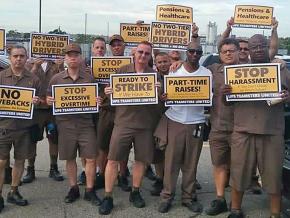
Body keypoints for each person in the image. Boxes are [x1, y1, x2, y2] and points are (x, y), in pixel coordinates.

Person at [225, 34, 290, 218]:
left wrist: (287, 97)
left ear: (268, 46)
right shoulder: (237, 71)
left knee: (273, 175)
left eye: (262, 45)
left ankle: (275, 213)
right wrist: (225, 94)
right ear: (248, 51)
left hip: (271, 132)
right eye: (254, 47)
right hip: (243, 131)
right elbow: (228, 103)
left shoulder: (281, 69)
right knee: (239, 172)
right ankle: (235, 209)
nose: (258, 49)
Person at [99, 41, 160, 215]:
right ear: (134, 53)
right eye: (140, 52)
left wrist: (158, 92)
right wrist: (108, 93)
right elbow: (110, 102)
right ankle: (108, 196)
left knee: (141, 160)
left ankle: (135, 191)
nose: (143, 56)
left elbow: (159, 105)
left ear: (150, 56)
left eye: (147, 53)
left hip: (144, 126)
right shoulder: (121, 71)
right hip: (123, 123)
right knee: (112, 160)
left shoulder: (154, 76)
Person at [155, 42, 211, 213]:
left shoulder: (206, 73)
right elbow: (160, 82)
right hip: (175, 121)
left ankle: (188, 196)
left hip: (196, 122)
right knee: (171, 162)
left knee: (191, 163)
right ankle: (167, 196)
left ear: (201, 54)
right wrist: (163, 97)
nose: (195, 54)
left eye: (198, 52)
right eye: (191, 51)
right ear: (186, 53)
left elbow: (211, 95)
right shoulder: (174, 70)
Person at [46, 43, 101, 205]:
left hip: (86, 124)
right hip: (66, 125)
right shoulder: (56, 79)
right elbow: (48, 99)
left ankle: (90, 190)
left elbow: (96, 99)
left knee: (91, 158)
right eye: (69, 55)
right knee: (70, 158)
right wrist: (49, 101)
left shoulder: (89, 78)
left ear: (80, 57)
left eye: (76, 54)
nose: (73, 57)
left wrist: (97, 100)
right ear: (65, 58)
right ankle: (73, 188)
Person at [0, 45, 41, 211]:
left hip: (24, 128)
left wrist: (37, 102)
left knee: (19, 160)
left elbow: (41, 101)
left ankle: (14, 191)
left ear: (26, 58)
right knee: (1, 162)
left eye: (22, 56)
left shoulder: (34, 79)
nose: (18, 59)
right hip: (3, 126)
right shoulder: (1, 77)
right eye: (15, 56)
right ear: (10, 57)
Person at [204, 38, 239, 215]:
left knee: (236, 168)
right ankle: (220, 199)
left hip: (240, 129)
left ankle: (235, 204)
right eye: (224, 51)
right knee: (218, 165)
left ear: (239, 52)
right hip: (217, 127)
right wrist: (177, 63)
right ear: (220, 53)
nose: (228, 53)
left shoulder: (247, 69)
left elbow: (269, 57)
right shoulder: (211, 70)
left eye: (231, 50)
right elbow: (192, 70)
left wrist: (279, 62)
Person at [96, 34, 131, 192]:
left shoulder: (131, 63)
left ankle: (122, 175)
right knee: (103, 146)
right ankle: (102, 176)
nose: (116, 47)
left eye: (119, 44)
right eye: (114, 45)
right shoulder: (100, 63)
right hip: (106, 110)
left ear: (124, 45)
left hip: (124, 111)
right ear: (110, 47)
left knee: (123, 147)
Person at [22, 58, 64, 183]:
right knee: (32, 139)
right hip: (36, 111)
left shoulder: (56, 63)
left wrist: (61, 67)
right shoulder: (29, 63)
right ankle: (30, 169)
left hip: (52, 110)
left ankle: (53, 168)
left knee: (54, 139)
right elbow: (26, 82)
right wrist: (35, 66)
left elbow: (63, 81)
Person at [78, 36, 106, 187]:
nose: (100, 50)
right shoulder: (83, 64)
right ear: (92, 48)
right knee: (85, 143)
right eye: (97, 47)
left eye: (102, 48)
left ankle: (99, 172)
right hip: (86, 110)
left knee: (100, 143)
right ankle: (85, 171)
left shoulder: (111, 65)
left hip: (104, 110)